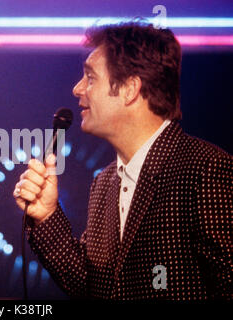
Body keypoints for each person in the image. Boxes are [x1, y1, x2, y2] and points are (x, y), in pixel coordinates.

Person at [14, 22, 232, 300]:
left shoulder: (206, 171)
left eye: (90, 78)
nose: (77, 88)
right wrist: (47, 216)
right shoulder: (104, 182)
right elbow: (91, 286)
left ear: (130, 89)